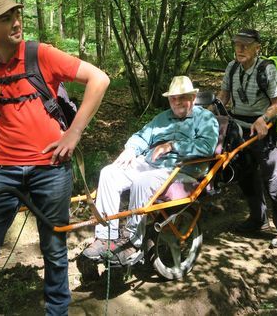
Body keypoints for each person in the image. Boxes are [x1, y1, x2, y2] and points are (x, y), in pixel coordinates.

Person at [0, 0, 110, 316]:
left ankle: (57, 311)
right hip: (2, 172)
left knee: (54, 251)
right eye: (6, 18)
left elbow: (99, 79)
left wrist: (74, 132)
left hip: (51, 169)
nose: (16, 21)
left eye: (17, 14)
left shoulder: (40, 54)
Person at [82, 76, 219, 264]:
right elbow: (142, 136)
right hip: (150, 164)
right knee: (109, 173)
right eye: (173, 98)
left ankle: (132, 240)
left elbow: (206, 147)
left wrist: (172, 145)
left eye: (182, 97)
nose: (177, 101)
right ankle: (106, 236)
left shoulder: (206, 119)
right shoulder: (161, 118)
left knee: (142, 181)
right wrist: (131, 149)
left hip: (182, 169)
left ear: (193, 97)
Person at [218, 29, 277, 248]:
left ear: (257, 47)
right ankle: (257, 219)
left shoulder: (266, 69)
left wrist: (263, 119)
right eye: (237, 44)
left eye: (245, 45)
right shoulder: (232, 68)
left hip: (263, 129)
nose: (240, 49)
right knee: (245, 176)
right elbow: (224, 96)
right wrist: (210, 111)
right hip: (237, 129)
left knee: (273, 179)